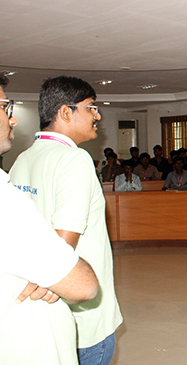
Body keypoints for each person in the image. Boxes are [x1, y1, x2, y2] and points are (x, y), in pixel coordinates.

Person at [10, 75, 123, 365]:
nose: (97, 115)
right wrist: (50, 281)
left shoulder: (23, 158)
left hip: (46, 309)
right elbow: (63, 242)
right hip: (83, 317)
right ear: (64, 112)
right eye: (90, 108)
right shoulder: (75, 159)